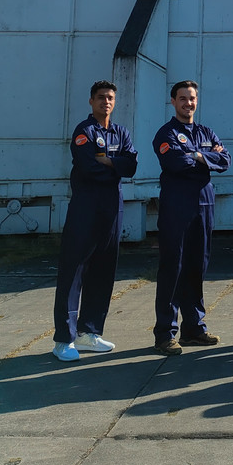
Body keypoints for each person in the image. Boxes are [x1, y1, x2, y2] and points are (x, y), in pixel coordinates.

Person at [52, 80, 138, 362]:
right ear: (91, 101)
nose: (106, 102)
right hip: (86, 208)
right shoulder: (84, 131)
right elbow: (88, 167)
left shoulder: (120, 132)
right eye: (101, 97)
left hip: (112, 208)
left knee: (103, 269)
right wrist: (116, 164)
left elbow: (131, 165)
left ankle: (88, 332)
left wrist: (109, 162)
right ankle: (64, 339)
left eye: (110, 97)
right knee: (73, 270)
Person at [152, 80, 230, 354]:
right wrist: (207, 157)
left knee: (198, 267)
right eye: (183, 98)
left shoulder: (206, 131)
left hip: (204, 206)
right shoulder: (166, 133)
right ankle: (165, 333)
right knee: (173, 268)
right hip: (177, 207)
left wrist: (197, 155)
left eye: (192, 98)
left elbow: (226, 160)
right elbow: (176, 162)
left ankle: (194, 329)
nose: (188, 103)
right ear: (173, 101)